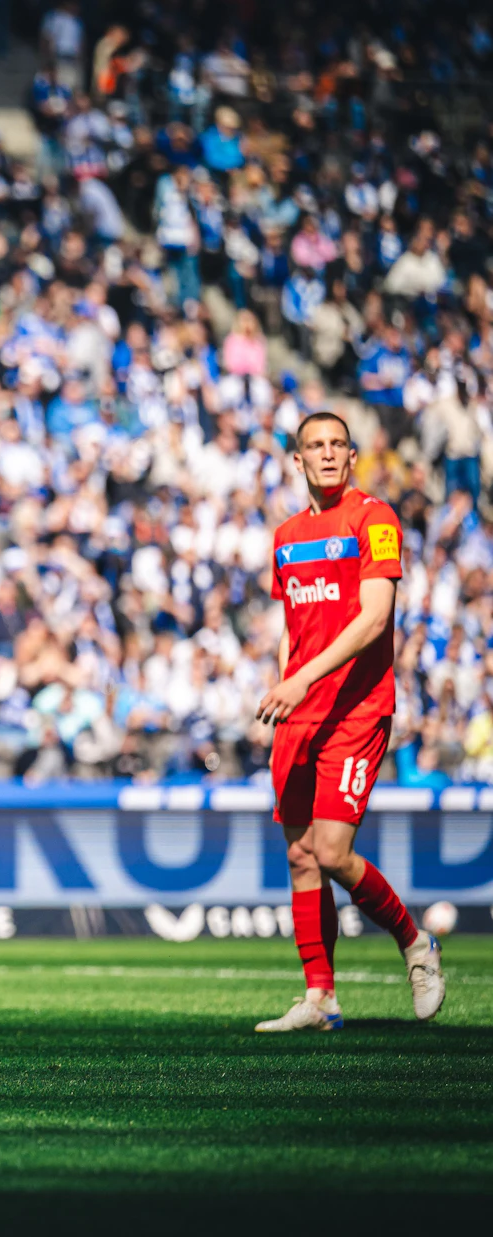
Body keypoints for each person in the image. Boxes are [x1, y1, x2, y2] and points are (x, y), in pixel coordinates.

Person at [253, 412, 444, 1032]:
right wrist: (285, 688)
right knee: (302, 857)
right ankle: (320, 998)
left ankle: (416, 945)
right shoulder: (285, 536)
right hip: (300, 713)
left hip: (357, 709)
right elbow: (293, 628)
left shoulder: (374, 518)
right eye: (316, 446)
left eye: (338, 445)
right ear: (298, 461)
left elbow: (373, 620)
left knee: (333, 852)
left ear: (353, 455)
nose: (328, 454)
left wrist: (303, 678)